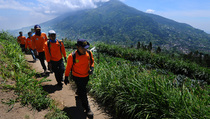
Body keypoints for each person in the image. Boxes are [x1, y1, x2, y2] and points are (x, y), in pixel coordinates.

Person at [64, 39, 94, 117]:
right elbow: (68, 67)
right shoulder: (72, 56)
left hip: (86, 76)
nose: (85, 50)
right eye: (83, 48)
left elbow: (92, 61)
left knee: (82, 88)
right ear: (77, 47)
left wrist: (92, 68)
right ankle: (87, 108)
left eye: (86, 48)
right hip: (77, 76)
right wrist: (66, 76)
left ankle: (78, 92)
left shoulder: (89, 53)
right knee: (83, 92)